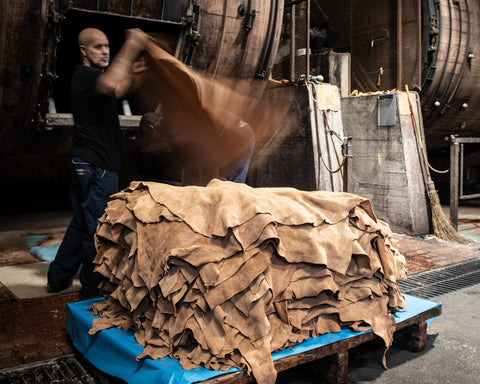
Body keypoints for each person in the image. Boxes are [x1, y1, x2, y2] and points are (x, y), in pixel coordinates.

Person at [47, 28, 146, 297]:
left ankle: (58, 275)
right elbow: (110, 84)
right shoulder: (86, 76)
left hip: (87, 164)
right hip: (95, 166)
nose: (105, 51)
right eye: (98, 47)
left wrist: (136, 74)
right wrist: (132, 46)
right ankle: (92, 292)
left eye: (107, 47)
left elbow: (119, 87)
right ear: (84, 51)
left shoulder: (95, 79)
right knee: (98, 228)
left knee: (82, 221)